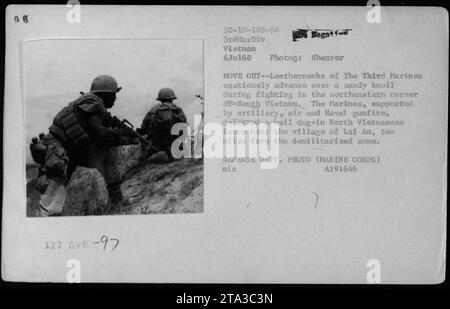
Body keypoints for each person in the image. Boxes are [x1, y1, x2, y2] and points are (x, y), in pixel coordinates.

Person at [36, 74, 138, 216]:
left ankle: (116, 199)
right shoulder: (91, 102)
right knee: (53, 197)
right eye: (114, 94)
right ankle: (45, 229)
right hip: (59, 150)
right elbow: (100, 132)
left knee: (106, 153)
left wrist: (125, 134)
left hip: (74, 148)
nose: (115, 98)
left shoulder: (93, 104)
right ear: (104, 93)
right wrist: (122, 135)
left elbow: (105, 125)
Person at [137, 88, 187, 160]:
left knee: (142, 158)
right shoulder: (177, 109)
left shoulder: (154, 109)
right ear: (172, 98)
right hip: (173, 141)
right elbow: (183, 125)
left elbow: (144, 126)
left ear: (160, 99)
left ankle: (139, 162)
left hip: (156, 142)